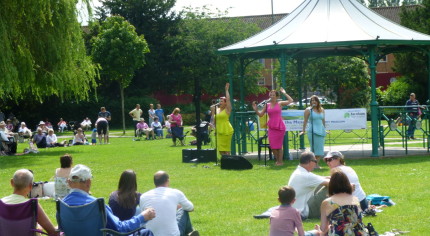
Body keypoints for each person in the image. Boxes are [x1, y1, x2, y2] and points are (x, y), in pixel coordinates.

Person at [62, 164, 155, 235]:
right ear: (88, 182)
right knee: (146, 232)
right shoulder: (96, 205)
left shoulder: (62, 203)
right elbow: (120, 229)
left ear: (69, 182)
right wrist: (142, 217)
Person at [1, 169, 59, 236]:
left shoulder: (1, 203)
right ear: (31, 186)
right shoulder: (31, 205)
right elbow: (52, 232)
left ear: (11, 182)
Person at [140, 171, 198, 236]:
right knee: (183, 210)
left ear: (155, 183)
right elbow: (191, 208)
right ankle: (190, 233)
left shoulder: (143, 197)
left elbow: (144, 220)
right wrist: (177, 206)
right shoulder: (175, 193)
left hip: (150, 234)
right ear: (168, 181)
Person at [317, 170, 367, 235]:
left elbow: (323, 228)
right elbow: (359, 220)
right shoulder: (355, 199)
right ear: (347, 183)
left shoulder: (327, 202)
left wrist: (318, 231)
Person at [253, 87, 293, 166]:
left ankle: (280, 162)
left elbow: (290, 101)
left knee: (279, 146)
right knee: (273, 146)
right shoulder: (267, 105)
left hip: (279, 126)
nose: (271, 96)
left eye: (273, 95)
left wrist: (284, 93)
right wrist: (256, 110)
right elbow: (261, 115)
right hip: (271, 127)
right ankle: (277, 160)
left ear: (277, 96)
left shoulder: (280, 103)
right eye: (270, 94)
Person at [288, 151, 329, 219]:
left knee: (321, 184)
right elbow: (332, 183)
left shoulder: (300, 172)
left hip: (297, 207)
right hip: (304, 210)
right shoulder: (306, 176)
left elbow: (321, 178)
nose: (316, 163)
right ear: (310, 162)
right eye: (315, 161)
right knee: (331, 187)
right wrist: (347, 185)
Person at [300, 95, 326, 168]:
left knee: (320, 149)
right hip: (312, 131)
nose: (313, 102)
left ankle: (315, 164)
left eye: (315, 100)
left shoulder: (322, 109)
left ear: (318, 101)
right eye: (312, 100)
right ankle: (314, 165)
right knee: (314, 149)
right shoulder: (308, 110)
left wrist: (325, 129)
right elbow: (305, 121)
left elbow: (323, 120)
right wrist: (303, 130)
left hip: (321, 131)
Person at [210, 83, 234, 156]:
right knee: (220, 148)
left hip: (226, 130)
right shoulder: (217, 109)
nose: (220, 102)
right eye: (219, 101)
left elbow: (229, 100)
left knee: (226, 148)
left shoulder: (227, 109)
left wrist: (226, 90)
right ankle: (224, 161)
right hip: (219, 130)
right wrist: (213, 111)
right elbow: (213, 121)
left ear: (225, 103)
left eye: (221, 101)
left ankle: (228, 161)